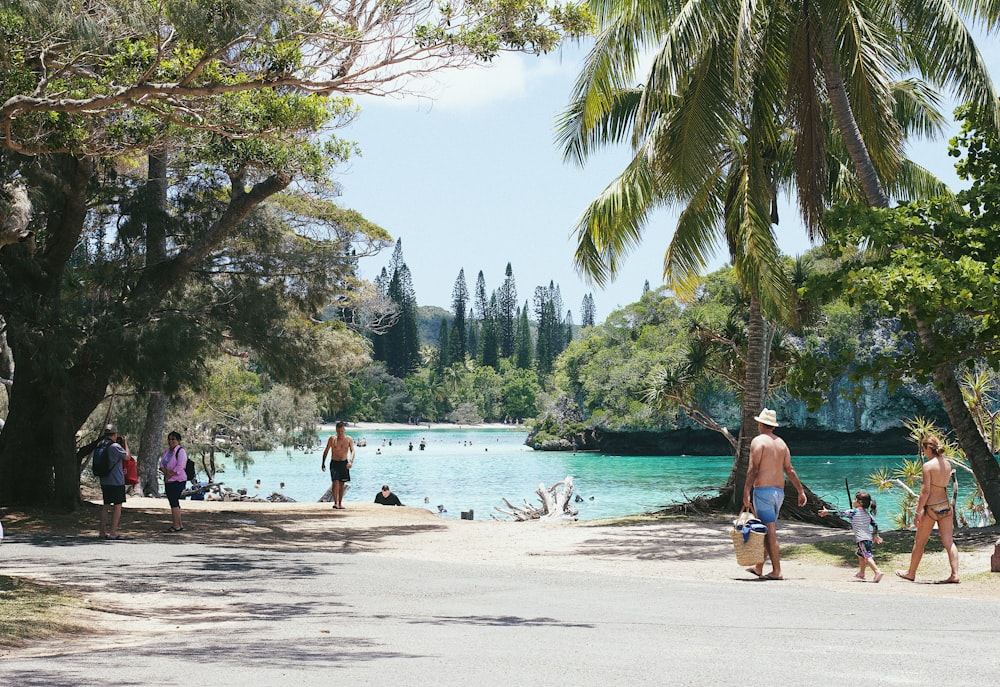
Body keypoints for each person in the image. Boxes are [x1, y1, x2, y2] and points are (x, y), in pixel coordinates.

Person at [742, 408, 807, 580]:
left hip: (763, 491)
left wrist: (746, 490)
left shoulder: (759, 441)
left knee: (769, 531)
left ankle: (776, 570)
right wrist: (800, 491)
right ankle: (758, 568)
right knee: (765, 528)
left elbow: (753, 468)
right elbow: (790, 470)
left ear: (760, 423)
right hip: (779, 493)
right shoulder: (781, 443)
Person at [896, 435, 960, 583]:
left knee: (920, 542)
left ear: (927, 448)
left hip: (931, 508)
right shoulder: (947, 464)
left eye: (923, 449)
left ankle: (911, 573)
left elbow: (925, 492)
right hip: (945, 506)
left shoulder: (928, 466)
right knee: (949, 541)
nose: (923, 452)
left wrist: (918, 512)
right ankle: (955, 574)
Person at [820, 491, 884, 582]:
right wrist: (875, 535)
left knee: (867, 556)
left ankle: (877, 572)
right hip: (868, 538)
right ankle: (861, 573)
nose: (853, 501)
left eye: (855, 499)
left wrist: (827, 512)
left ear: (860, 502)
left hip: (862, 539)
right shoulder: (868, 515)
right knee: (860, 554)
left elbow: (839, 513)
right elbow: (875, 525)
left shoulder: (853, 512)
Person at [98, 424, 130, 540]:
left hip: (104, 480)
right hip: (116, 481)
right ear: (115, 434)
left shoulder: (100, 445)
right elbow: (127, 457)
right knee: (117, 506)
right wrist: (125, 444)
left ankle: (102, 532)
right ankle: (113, 532)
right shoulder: (115, 446)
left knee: (106, 505)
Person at [321, 421, 355, 509]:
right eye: (338, 431)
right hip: (334, 463)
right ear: (336, 430)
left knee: (342, 483)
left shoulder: (349, 439)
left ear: (344, 430)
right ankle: (335, 503)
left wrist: (350, 461)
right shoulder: (332, 439)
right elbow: (326, 450)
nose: (340, 433)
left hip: (344, 463)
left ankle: (340, 503)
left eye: (341, 431)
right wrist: (323, 463)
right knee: (335, 482)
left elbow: (352, 451)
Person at [159, 431, 188, 532]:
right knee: (173, 502)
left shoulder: (181, 451)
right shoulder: (167, 451)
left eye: (173, 439)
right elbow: (161, 464)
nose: (171, 441)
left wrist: (169, 474)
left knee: (174, 502)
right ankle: (179, 524)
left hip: (178, 480)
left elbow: (180, 466)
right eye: (169, 439)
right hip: (168, 481)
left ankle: (176, 525)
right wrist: (165, 473)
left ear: (178, 441)